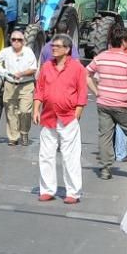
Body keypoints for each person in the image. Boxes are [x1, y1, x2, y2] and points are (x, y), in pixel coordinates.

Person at [34, 34, 87, 204]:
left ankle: (73, 192)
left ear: (67, 49)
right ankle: (47, 189)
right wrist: (36, 109)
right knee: (45, 154)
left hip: (68, 117)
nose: (53, 48)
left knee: (70, 156)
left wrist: (77, 113)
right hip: (48, 116)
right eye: (52, 46)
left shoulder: (78, 69)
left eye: (57, 46)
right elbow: (40, 90)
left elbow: (82, 92)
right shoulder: (47, 67)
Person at [86, 22, 127, 180]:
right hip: (123, 104)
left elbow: (87, 74)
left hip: (104, 103)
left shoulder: (100, 57)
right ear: (124, 41)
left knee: (105, 136)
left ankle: (105, 169)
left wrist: (97, 92)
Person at [0, 30, 38, 146]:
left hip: (26, 85)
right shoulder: (6, 52)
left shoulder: (28, 52)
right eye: (14, 39)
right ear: (10, 40)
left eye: (19, 40)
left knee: (25, 111)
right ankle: (13, 137)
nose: (16, 42)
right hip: (10, 84)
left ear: (23, 41)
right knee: (10, 112)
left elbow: (33, 69)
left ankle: (24, 132)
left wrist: (22, 73)